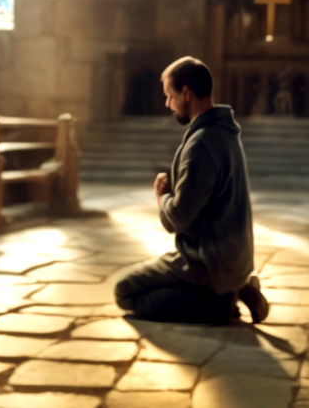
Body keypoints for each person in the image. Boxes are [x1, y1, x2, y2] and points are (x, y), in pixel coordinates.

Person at [113, 57, 269, 324]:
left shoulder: (202, 143)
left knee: (126, 293)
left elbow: (179, 219)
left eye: (170, 96)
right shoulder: (225, 132)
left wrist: (162, 198)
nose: (167, 104)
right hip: (231, 258)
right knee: (149, 286)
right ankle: (237, 286)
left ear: (186, 93)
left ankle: (220, 302)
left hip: (207, 263)